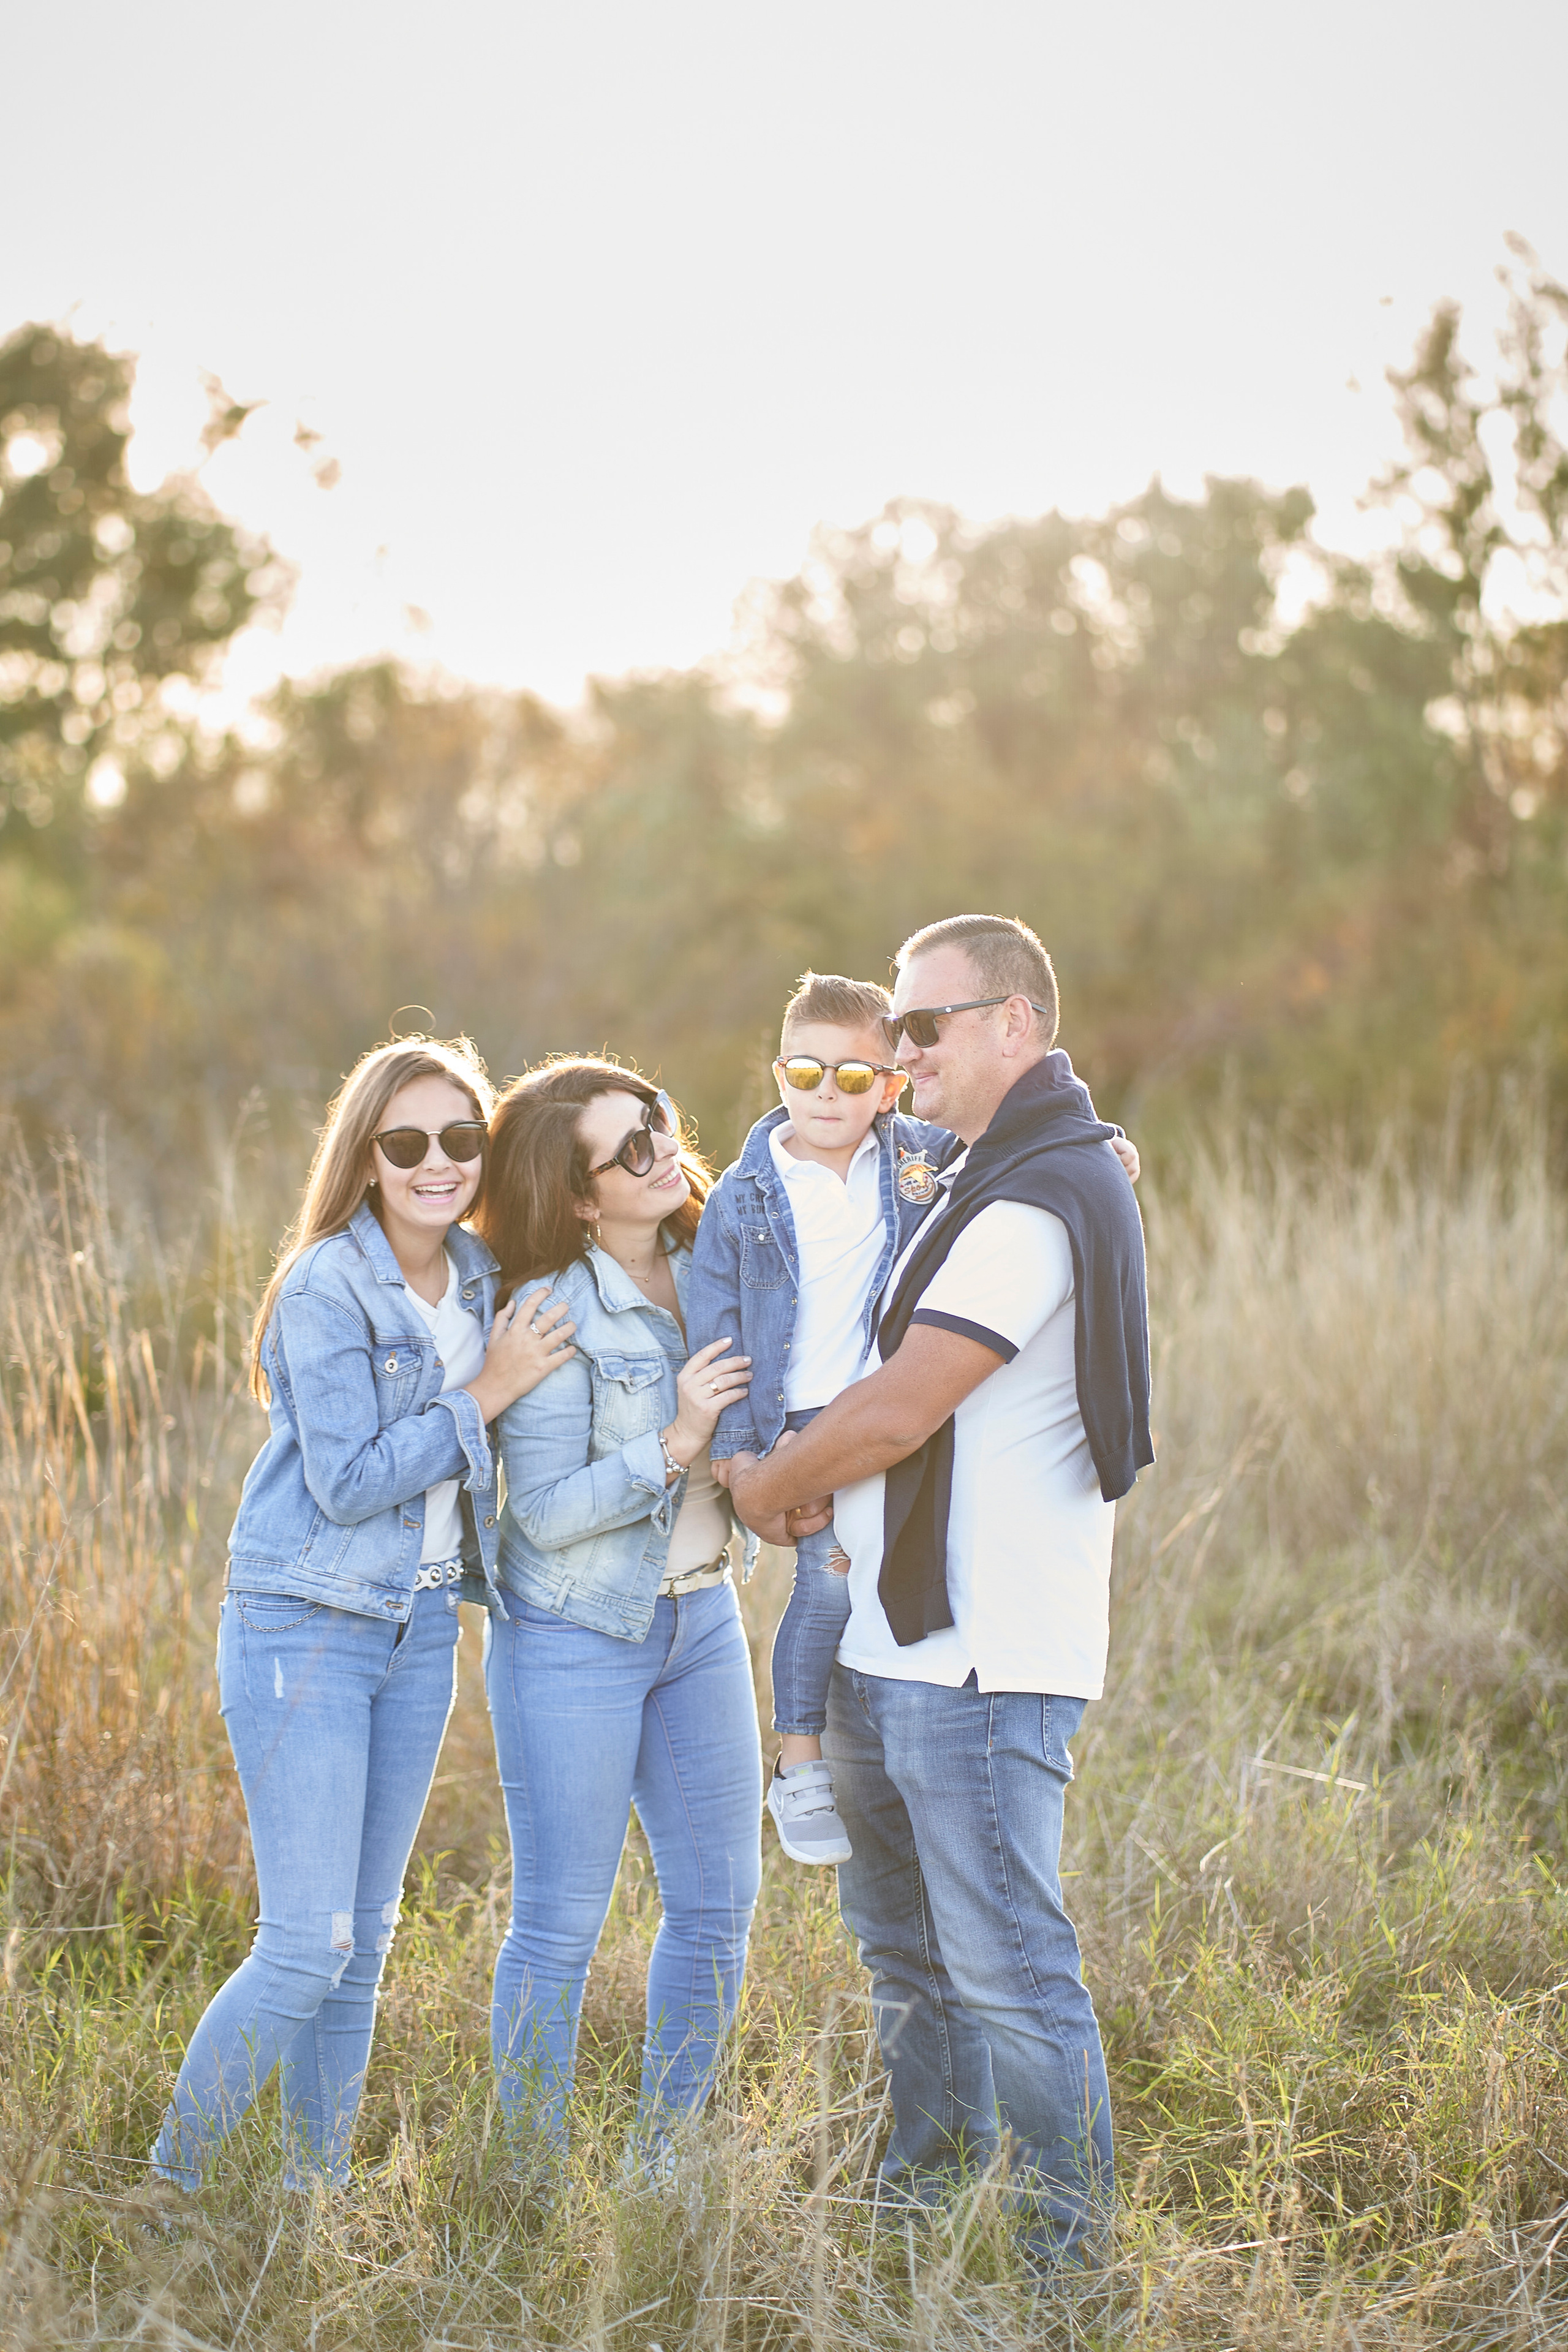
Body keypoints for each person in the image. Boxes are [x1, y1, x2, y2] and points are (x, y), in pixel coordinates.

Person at [725, 915, 1153, 2274]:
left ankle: (1064, 2273)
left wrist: (764, 1486)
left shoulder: (1032, 1202)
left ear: (1015, 1023)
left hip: (976, 1658)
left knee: (1009, 1975)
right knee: (904, 1959)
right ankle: (924, 2215)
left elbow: (905, 1404)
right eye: (893, 1030)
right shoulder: (987, 1175)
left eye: (925, 1025)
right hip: (889, 1640)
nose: (899, 1052)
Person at [150, 1036, 575, 2196]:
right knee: (307, 1944)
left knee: (366, 1940)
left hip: (423, 1625)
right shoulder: (325, 1285)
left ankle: (313, 2196)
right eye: (406, 1142)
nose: (438, 1162)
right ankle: (171, 2187)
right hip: (306, 1623)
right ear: (365, 1155)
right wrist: (488, 1390)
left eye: (460, 1138)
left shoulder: (481, 1273)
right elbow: (346, 1482)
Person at [472, 1058, 760, 2175]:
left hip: (701, 1620)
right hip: (572, 1634)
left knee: (719, 1906)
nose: (663, 1149)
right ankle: (525, 2178)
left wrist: (1085, 1152)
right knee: (560, 1924)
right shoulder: (549, 1312)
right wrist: (678, 1440)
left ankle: (667, 2166)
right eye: (630, 1148)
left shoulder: (718, 1260)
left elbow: (855, 1182)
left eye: (660, 1120)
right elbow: (541, 1513)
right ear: (579, 1197)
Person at [687, 970, 949, 1865]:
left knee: (895, 1574)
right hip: (800, 1421)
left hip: (894, 1405)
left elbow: (1015, 1143)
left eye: (852, 1075)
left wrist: (1102, 1150)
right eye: (806, 1073)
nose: (826, 1094)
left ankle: (894, 1752)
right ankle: (798, 1758)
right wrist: (737, 1455)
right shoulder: (745, 1195)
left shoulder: (920, 1162)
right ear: (780, 1075)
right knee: (829, 1580)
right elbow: (718, 1328)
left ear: (890, 1086)